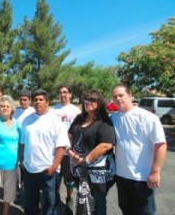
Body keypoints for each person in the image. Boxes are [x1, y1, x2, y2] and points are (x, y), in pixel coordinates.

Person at [110, 84, 167, 215]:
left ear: (130, 96)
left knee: (145, 212)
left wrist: (155, 172)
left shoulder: (147, 117)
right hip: (122, 176)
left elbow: (160, 145)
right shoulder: (113, 118)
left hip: (142, 177)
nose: (118, 99)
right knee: (126, 210)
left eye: (121, 95)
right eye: (115, 97)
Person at [20, 89, 70, 215]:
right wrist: (22, 162)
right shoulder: (27, 120)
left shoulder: (55, 121)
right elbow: (23, 143)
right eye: (35, 100)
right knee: (30, 203)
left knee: (49, 204)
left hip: (47, 170)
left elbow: (61, 146)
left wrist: (54, 167)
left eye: (41, 100)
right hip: (29, 169)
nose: (38, 102)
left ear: (47, 103)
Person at [68, 89, 116, 215]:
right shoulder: (80, 118)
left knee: (98, 201)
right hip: (79, 168)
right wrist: (71, 152)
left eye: (93, 100)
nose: (88, 102)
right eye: (86, 99)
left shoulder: (104, 121)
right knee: (84, 199)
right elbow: (70, 134)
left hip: (98, 172)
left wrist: (85, 160)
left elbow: (106, 145)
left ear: (99, 103)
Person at [52, 85, 81, 212]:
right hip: (56, 152)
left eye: (65, 92)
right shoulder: (53, 110)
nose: (63, 94)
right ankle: (55, 198)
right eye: (60, 92)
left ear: (70, 94)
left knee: (69, 180)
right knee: (56, 178)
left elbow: (80, 131)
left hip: (70, 152)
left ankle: (69, 199)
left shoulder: (76, 111)